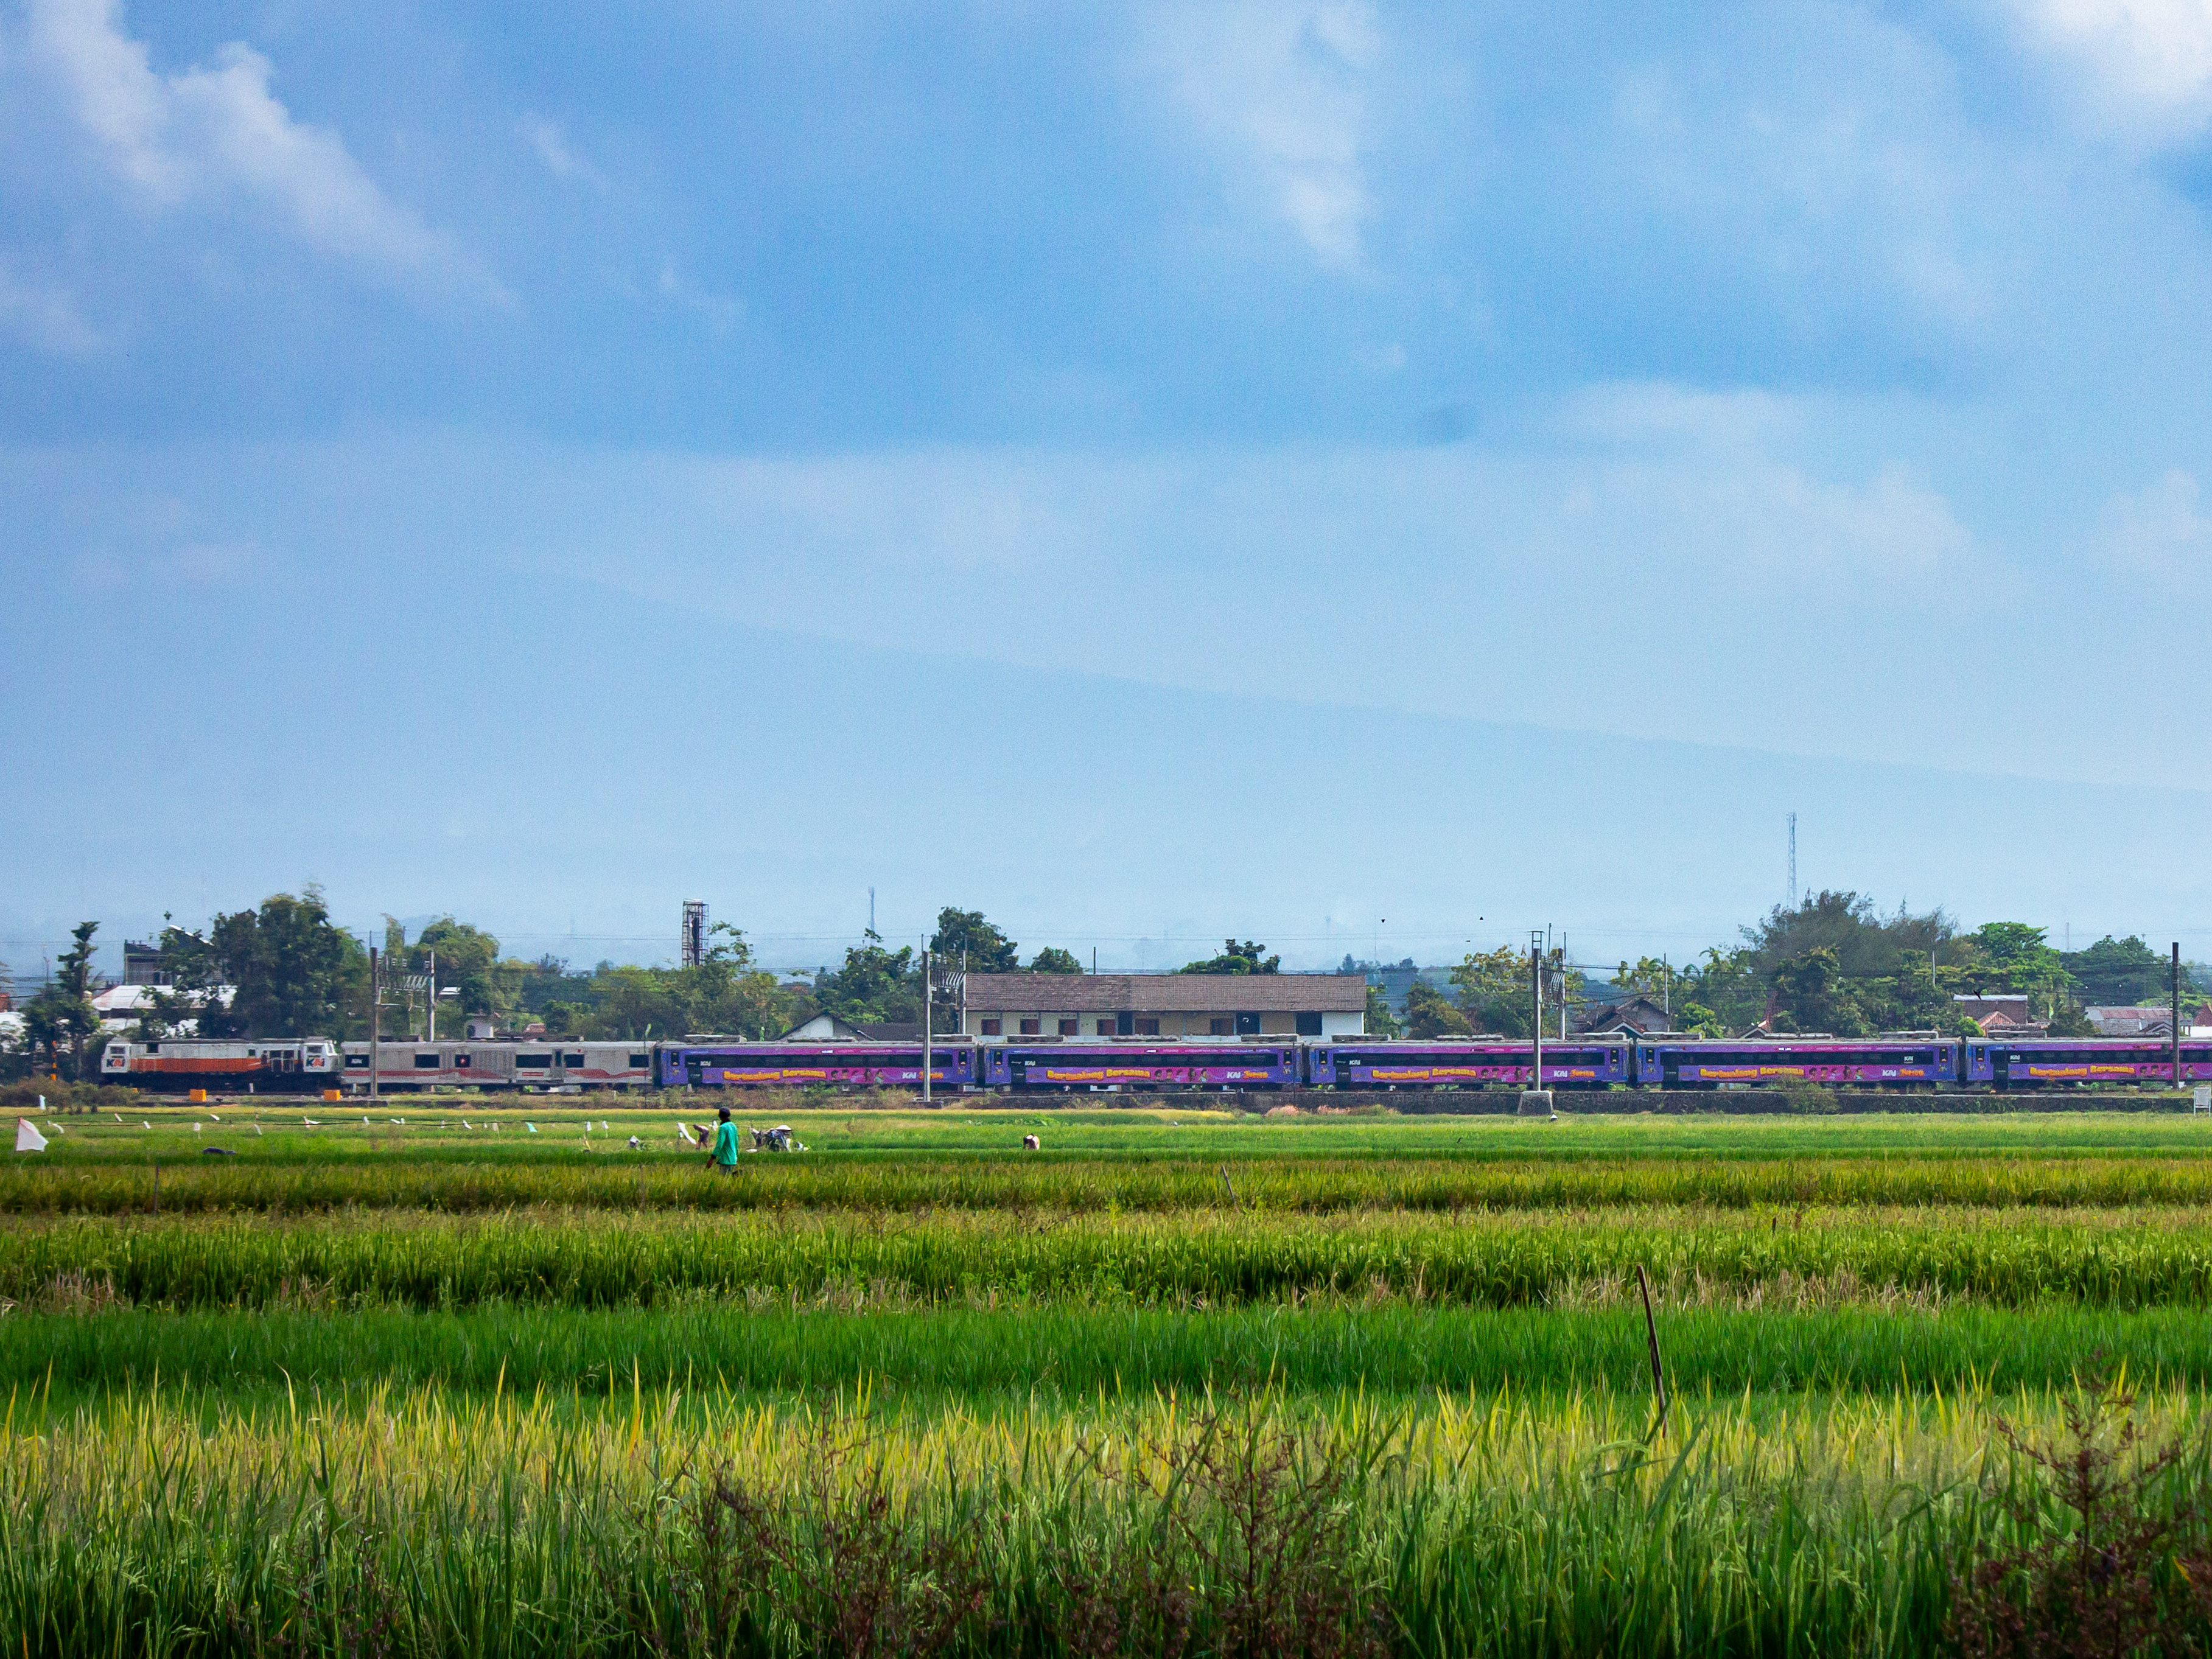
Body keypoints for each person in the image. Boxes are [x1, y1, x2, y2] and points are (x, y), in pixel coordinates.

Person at [709, 1105, 741, 1175]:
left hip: (726, 1158)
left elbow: (720, 1144)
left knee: (724, 1178)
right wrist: (736, 1156)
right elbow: (736, 1142)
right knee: (729, 1177)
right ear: (729, 1115)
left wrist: (712, 1158)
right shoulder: (733, 1126)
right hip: (733, 1157)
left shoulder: (723, 1128)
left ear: (720, 1116)